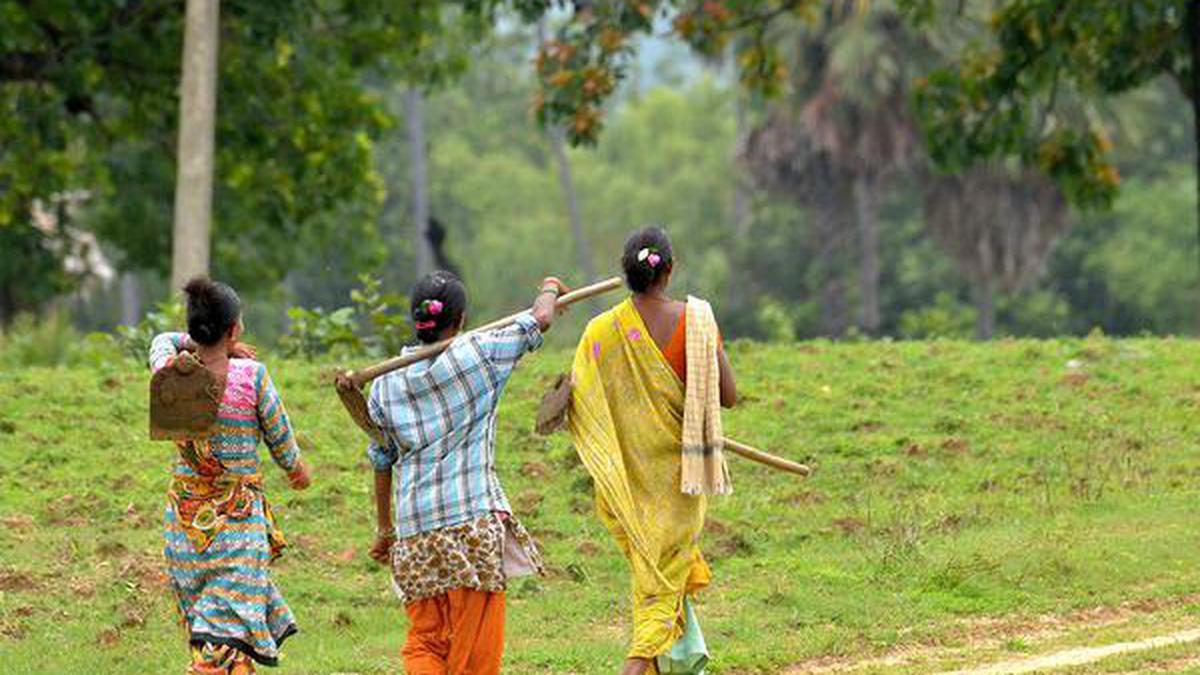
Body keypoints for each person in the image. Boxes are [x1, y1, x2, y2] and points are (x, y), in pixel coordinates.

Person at [366, 270, 568, 675]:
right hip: (471, 528)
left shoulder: (383, 383)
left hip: (414, 534)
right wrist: (549, 286)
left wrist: (385, 530)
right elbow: (540, 319)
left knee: (425, 642)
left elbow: (382, 460)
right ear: (460, 320)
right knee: (474, 653)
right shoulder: (481, 355)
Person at [568, 227, 737, 675]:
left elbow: (581, 398)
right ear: (671, 270)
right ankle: (640, 662)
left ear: (626, 274)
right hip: (680, 482)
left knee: (658, 579)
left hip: (627, 483)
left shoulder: (600, 332)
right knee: (660, 591)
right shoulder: (697, 321)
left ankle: (675, 663)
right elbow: (729, 395)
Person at [150, 277, 311, 675]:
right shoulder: (251, 377)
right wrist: (297, 470)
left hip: (185, 528)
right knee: (226, 637)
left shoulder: (169, 372)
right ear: (235, 330)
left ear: (193, 330)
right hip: (236, 528)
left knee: (211, 636)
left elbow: (160, 340)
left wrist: (193, 343)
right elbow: (280, 435)